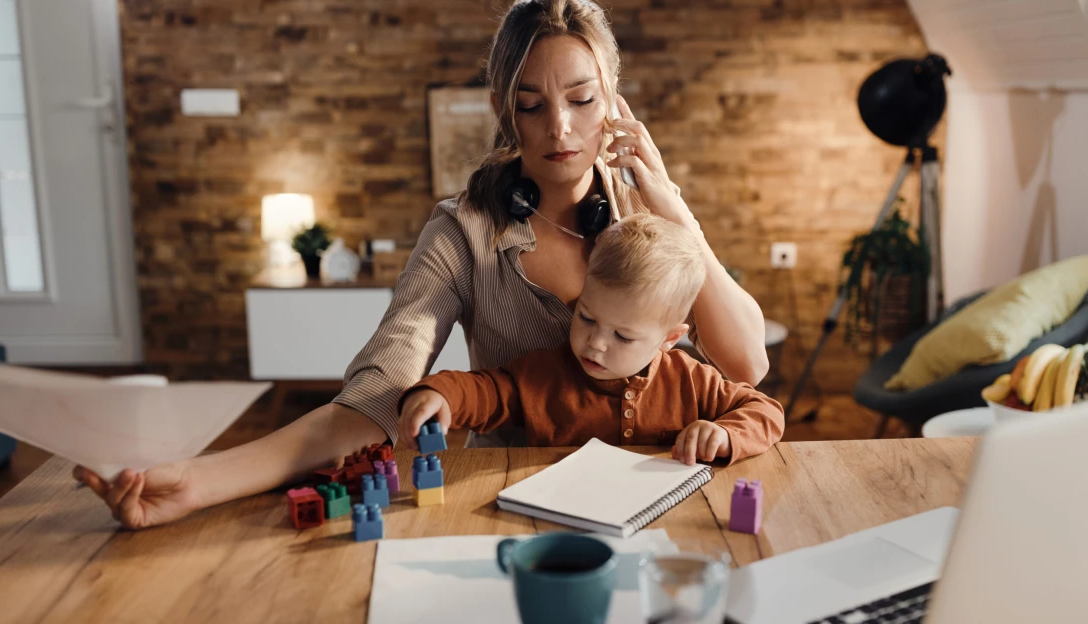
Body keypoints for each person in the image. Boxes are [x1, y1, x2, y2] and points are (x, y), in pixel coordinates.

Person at [73, 0, 770, 528]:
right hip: (514, 502)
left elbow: (746, 365)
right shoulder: (463, 230)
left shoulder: (652, 219)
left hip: (663, 494)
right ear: (506, 110)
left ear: (614, 96)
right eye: (532, 105)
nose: (560, 128)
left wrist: (672, 204)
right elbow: (377, 396)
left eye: (583, 100)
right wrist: (197, 483)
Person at [399, 215, 784, 465]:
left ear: (669, 339)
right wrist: (440, 394)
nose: (595, 343)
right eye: (585, 317)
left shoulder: (690, 380)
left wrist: (724, 434)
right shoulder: (545, 375)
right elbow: (484, 391)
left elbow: (766, 412)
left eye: (623, 336)